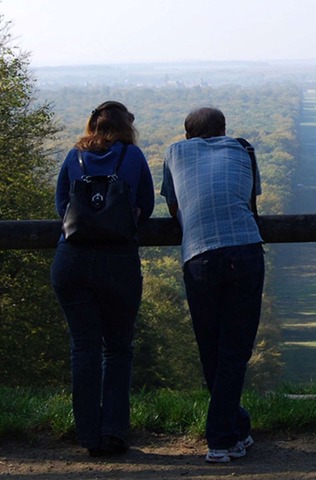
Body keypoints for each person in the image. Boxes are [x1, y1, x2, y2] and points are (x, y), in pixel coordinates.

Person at [51, 100, 155, 458]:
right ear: (125, 126)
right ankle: (114, 433)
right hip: (118, 262)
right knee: (118, 348)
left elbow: (61, 206)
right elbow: (146, 206)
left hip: (72, 260)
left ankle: (88, 435)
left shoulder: (72, 156)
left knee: (84, 348)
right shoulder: (133, 157)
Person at [161, 107, 264, 464]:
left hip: (198, 255)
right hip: (243, 250)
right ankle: (222, 438)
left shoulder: (174, 153)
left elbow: (176, 208)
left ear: (187, 134)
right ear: (223, 130)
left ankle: (235, 428)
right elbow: (251, 203)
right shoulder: (242, 148)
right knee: (235, 348)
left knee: (211, 347)